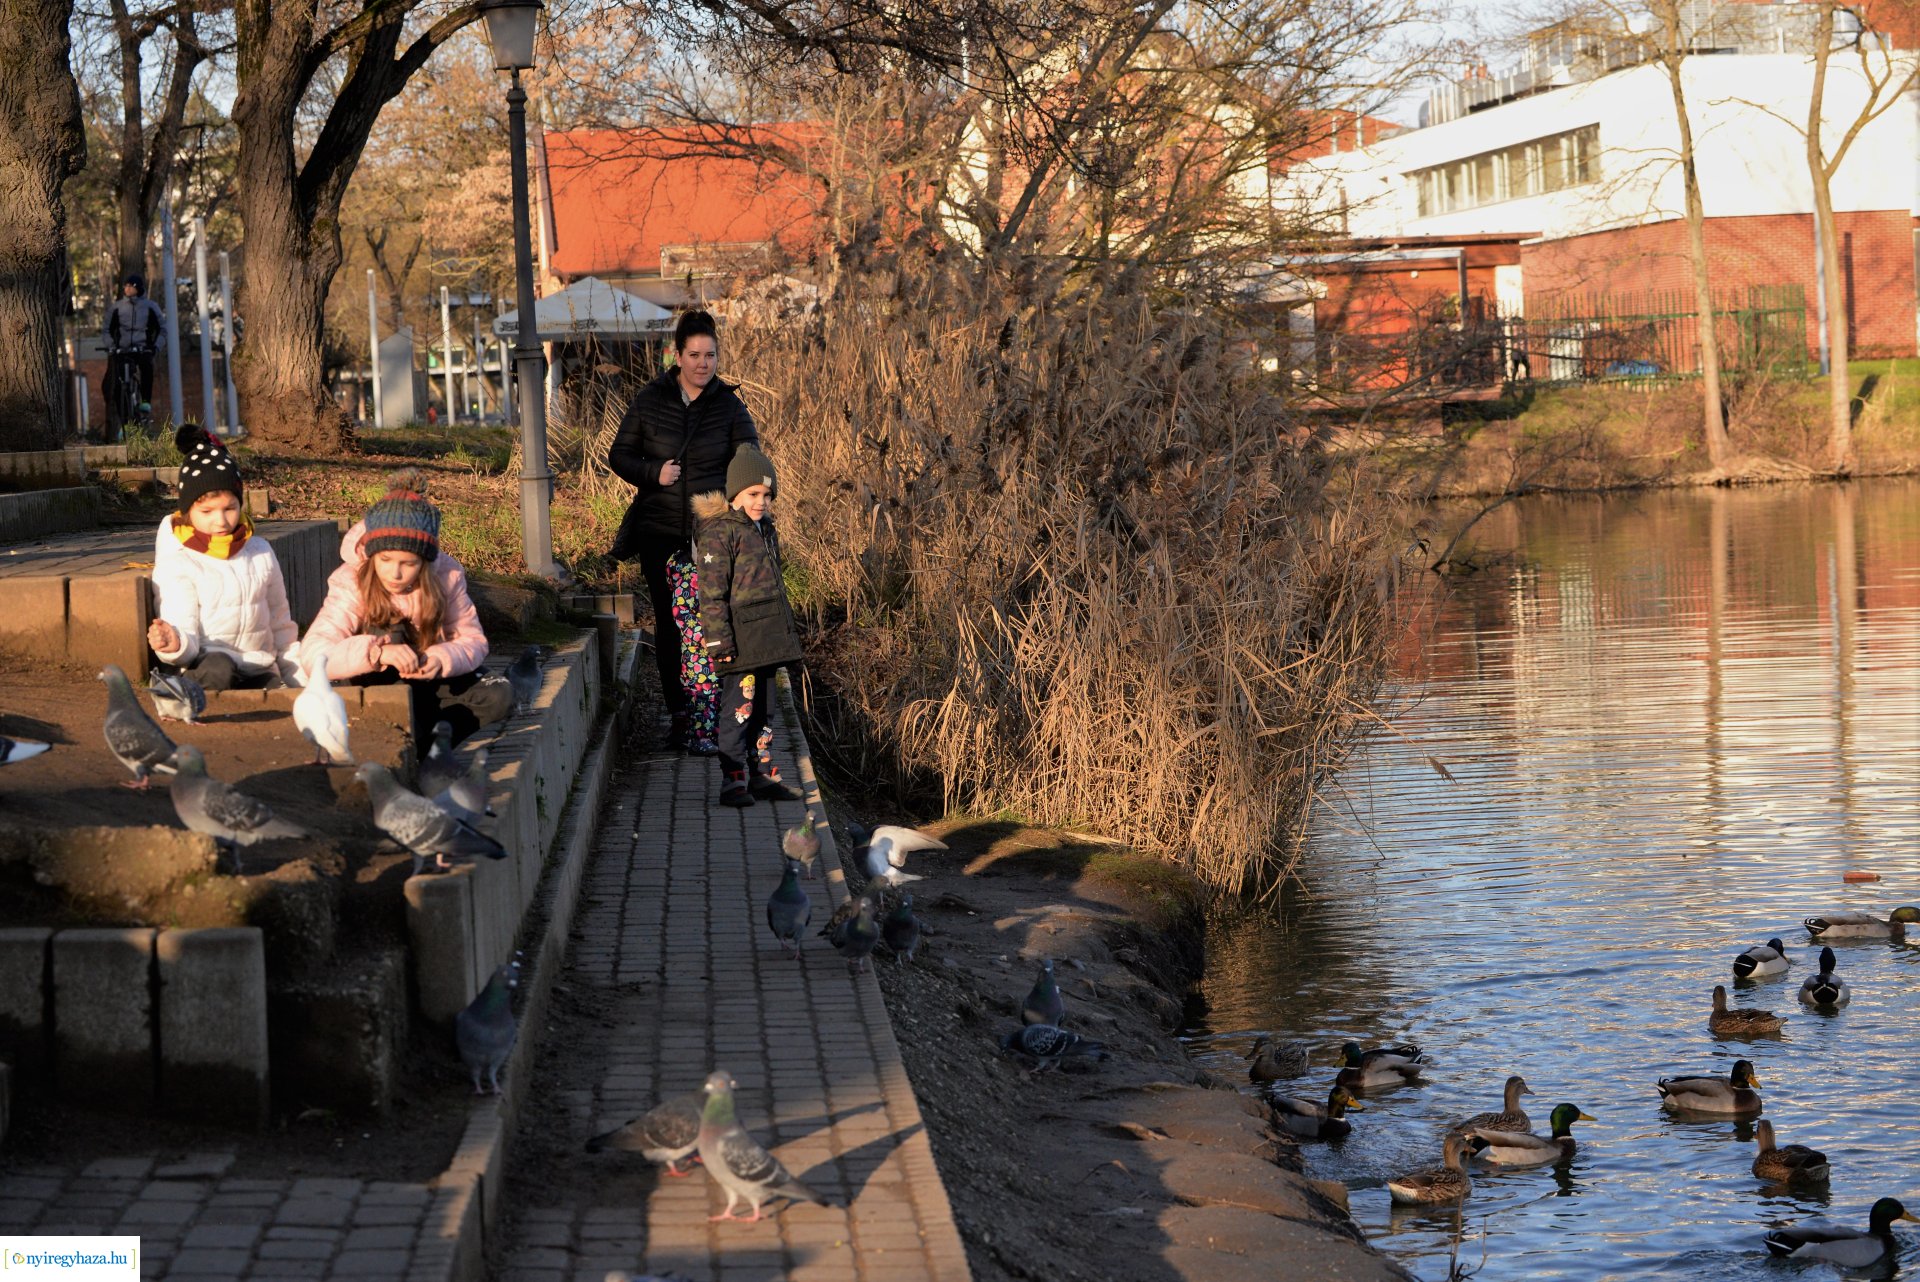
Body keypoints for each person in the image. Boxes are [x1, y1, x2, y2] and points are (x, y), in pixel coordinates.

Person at [607, 309, 760, 752]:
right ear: (677, 356)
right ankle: (680, 715)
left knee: (713, 624)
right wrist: (653, 472)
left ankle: (712, 715)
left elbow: (751, 462)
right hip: (659, 532)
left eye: (710, 355)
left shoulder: (729, 407)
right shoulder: (650, 400)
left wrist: (739, 501)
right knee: (671, 626)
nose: (702, 363)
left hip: (711, 538)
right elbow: (619, 455)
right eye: (694, 355)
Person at [298, 470, 512, 746]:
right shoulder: (351, 582)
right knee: (392, 631)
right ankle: (407, 740)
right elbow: (314, 653)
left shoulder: (446, 577)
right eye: (385, 560)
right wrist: (377, 652)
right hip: (375, 682)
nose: (395, 573)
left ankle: (429, 748)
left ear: (424, 562)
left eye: (409, 563)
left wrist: (440, 658)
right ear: (372, 554)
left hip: (427, 677)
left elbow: (472, 640)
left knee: (498, 693)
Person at [691, 445, 805, 808]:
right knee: (738, 709)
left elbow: (776, 586)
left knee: (764, 710)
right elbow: (712, 593)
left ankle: (762, 773)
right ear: (735, 494)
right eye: (753, 494)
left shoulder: (765, 529)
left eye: (767, 495)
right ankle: (733, 778)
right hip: (740, 640)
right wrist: (719, 642)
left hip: (767, 637)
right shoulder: (720, 532)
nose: (761, 502)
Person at [147, 424, 299, 690]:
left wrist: (297, 676)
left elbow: (280, 622)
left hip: (258, 666)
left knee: (275, 690)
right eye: (207, 511)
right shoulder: (180, 562)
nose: (221, 520)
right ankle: (178, 690)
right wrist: (174, 642)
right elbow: (182, 625)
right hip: (205, 663)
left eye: (230, 508)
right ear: (188, 511)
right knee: (220, 669)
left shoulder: (261, 552)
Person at [103, 273, 164, 424]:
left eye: (131, 286)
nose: (127, 289)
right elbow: (106, 330)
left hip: (143, 349)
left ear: (139, 288)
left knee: (146, 368)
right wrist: (111, 346)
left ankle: (145, 402)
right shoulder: (116, 308)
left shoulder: (150, 307)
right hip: (123, 350)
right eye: (126, 286)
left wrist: (155, 347)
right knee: (118, 385)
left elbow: (163, 329)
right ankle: (124, 423)